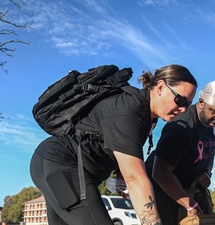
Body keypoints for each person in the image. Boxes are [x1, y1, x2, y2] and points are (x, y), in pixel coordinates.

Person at [30, 64, 198, 225]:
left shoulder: (145, 115)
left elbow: (121, 155)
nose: (183, 110)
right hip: (60, 165)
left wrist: (119, 177)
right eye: (180, 101)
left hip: (55, 166)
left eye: (188, 105)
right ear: (160, 87)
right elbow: (135, 178)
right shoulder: (129, 111)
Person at [145, 80, 215, 225]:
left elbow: (210, 151)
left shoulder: (214, 126)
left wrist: (207, 172)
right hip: (161, 188)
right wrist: (190, 204)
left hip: (188, 187)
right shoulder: (182, 127)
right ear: (201, 102)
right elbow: (160, 172)